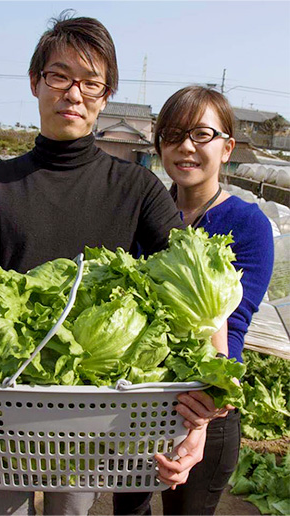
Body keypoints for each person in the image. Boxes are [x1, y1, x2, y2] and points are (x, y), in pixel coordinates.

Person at [0, 14, 209, 516]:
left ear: (106, 96)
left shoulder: (137, 189)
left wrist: (201, 413)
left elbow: (193, 291)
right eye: (59, 77)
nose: (74, 93)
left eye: (91, 82)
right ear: (35, 82)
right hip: (2, 402)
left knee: (72, 508)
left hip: (92, 408)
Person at [113, 86, 274, 515]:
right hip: (139, 406)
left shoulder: (246, 223)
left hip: (207, 406)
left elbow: (232, 323)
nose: (185, 146)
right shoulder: (143, 215)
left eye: (202, 134)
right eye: (173, 134)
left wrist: (210, 400)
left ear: (228, 148)